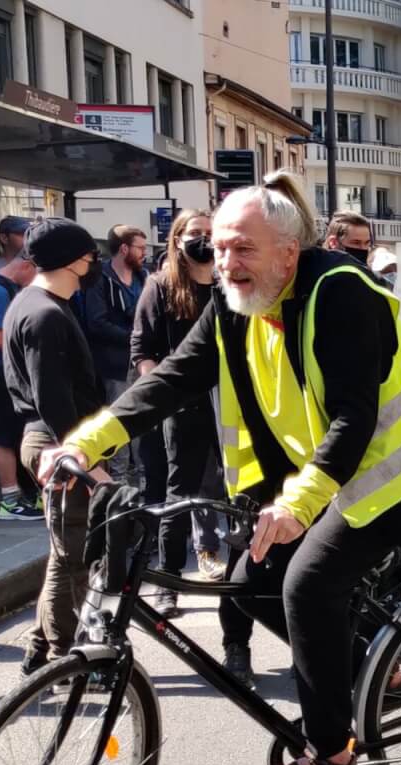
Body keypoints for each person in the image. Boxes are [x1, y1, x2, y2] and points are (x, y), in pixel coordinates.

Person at [41, 172, 401, 765]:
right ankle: (373, 670)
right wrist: (86, 443)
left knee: (309, 584)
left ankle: (331, 755)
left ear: (288, 253)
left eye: (244, 249)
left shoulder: (341, 293)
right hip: (326, 472)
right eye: (219, 247)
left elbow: (353, 417)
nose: (226, 263)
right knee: (252, 581)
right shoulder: (236, 304)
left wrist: (297, 506)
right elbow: (174, 378)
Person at [3, 218, 109, 674]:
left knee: (65, 553)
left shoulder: (35, 303)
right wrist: (88, 462)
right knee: (73, 558)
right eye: (89, 255)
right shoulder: (44, 314)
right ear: (74, 260)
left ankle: (41, 647)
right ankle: (62, 659)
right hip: (58, 445)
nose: (93, 263)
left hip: (53, 441)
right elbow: (53, 400)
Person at [130, 210, 226, 616]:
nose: (203, 239)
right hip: (183, 407)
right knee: (179, 493)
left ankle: (242, 573)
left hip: (229, 406)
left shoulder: (228, 284)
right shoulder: (161, 286)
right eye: (195, 233)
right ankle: (168, 581)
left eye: (209, 233)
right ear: (178, 239)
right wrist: (164, 397)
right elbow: (143, 351)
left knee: (238, 493)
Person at [0, 254, 45, 521]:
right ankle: (10, 500)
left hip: (9, 368)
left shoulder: (7, 289)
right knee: (5, 434)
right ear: (26, 265)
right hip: (4, 370)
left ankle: (20, 495)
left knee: (15, 431)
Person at [83, 224, 147, 487]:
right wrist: (132, 337)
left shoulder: (143, 276)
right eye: (140, 248)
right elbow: (96, 322)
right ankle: (120, 479)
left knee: (144, 416)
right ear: (124, 249)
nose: (144, 253)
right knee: (118, 418)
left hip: (140, 359)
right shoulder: (100, 278)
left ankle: (143, 474)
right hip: (115, 362)